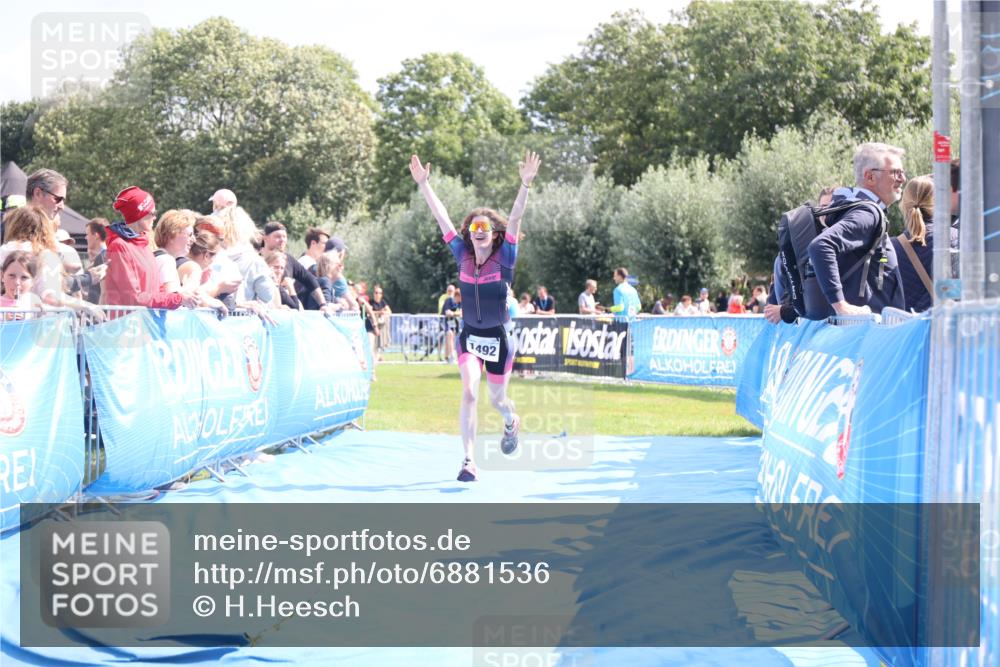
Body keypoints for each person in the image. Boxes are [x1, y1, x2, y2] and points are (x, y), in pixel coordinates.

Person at [410, 150, 540, 482]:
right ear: (469, 234)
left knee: (498, 400)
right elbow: (442, 218)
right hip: (470, 337)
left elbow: (515, 219)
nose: (478, 231)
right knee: (469, 391)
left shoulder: (506, 257)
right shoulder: (461, 255)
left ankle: (511, 421)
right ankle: (469, 460)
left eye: (484, 227)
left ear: (494, 234)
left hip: (499, 339)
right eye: (473, 227)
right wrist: (424, 185)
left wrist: (524, 185)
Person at [808, 142, 906, 316]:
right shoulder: (868, 212)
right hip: (867, 334)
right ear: (869, 177)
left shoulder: (857, 209)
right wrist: (841, 306)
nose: (902, 179)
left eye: (902, 172)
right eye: (895, 172)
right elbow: (821, 246)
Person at [103, 187, 198, 309]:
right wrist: (178, 298)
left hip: (144, 323)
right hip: (127, 324)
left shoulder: (143, 244)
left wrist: (180, 296)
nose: (154, 217)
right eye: (152, 213)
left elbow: (157, 290)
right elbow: (133, 298)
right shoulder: (119, 246)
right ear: (139, 215)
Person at [890, 175, 958, 313]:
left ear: (904, 203)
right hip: (945, 326)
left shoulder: (891, 246)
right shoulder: (955, 237)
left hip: (909, 328)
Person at [261, 221, 330, 311]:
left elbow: (310, 280)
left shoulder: (289, 259)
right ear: (265, 238)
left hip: (287, 313)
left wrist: (323, 304)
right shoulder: (256, 260)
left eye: (284, 237)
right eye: (277, 236)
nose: (282, 240)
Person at [25, 168, 82, 274]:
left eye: (63, 200)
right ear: (38, 193)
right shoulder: (12, 232)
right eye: (58, 199)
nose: (62, 207)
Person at [152, 210, 196, 293]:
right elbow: (172, 297)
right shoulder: (166, 260)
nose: (194, 239)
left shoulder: (158, 257)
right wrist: (191, 285)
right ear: (172, 235)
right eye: (190, 235)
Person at [441, 284, 462, 363]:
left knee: (450, 338)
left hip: (454, 323)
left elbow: (462, 312)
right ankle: (452, 356)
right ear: (457, 296)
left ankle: (446, 357)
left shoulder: (460, 303)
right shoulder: (449, 300)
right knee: (449, 335)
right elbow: (447, 312)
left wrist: (454, 313)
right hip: (445, 321)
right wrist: (457, 313)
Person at [370, 285, 392, 357]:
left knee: (380, 344)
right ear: (373, 293)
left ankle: (378, 357)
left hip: (381, 327)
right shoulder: (370, 302)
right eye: (376, 293)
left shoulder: (383, 302)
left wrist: (383, 312)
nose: (378, 295)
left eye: (379, 293)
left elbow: (389, 311)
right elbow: (370, 312)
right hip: (373, 327)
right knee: (373, 345)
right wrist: (379, 312)